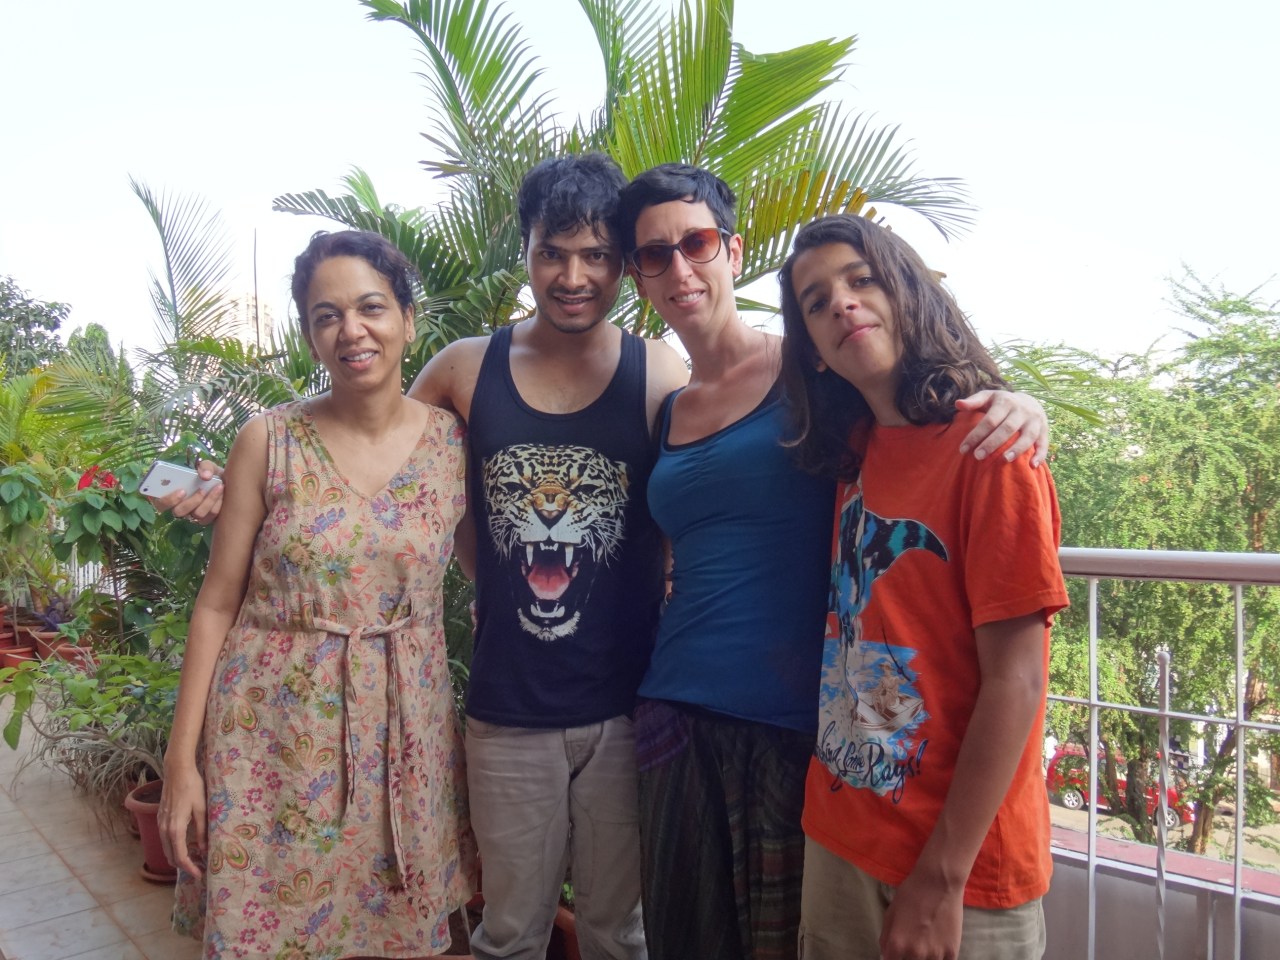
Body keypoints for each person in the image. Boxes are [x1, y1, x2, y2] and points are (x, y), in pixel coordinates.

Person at [612, 164, 1051, 960]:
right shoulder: (695, 406)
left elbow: (928, 402)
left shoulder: (823, 379)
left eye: (696, 242)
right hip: (707, 725)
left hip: (794, 732)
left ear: (731, 250)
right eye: (653, 254)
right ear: (638, 276)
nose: (678, 267)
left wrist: (1018, 404)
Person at [158, 230, 477, 959]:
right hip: (271, 737)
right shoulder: (267, 441)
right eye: (326, 316)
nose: (351, 330)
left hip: (405, 733)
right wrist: (181, 762)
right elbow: (216, 604)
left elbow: (492, 567)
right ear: (310, 336)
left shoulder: (453, 446)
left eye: (371, 307)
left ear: (408, 320)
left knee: (394, 933)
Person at [777, 214, 1069, 960]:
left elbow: (1018, 682)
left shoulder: (993, 451)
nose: (842, 303)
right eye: (816, 302)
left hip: (960, 866)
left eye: (861, 279)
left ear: (906, 292)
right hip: (840, 833)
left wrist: (941, 878)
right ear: (812, 352)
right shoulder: (853, 452)